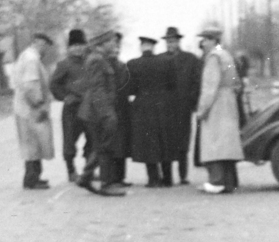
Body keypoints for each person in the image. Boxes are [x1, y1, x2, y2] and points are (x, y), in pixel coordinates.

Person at [194, 22, 243, 194]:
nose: (203, 43)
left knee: (213, 143)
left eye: (206, 40)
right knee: (227, 143)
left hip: (217, 104)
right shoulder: (227, 56)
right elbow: (237, 82)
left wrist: (201, 111)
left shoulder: (213, 58)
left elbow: (209, 88)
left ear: (213, 40)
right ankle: (230, 181)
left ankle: (216, 181)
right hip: (229, 102)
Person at [76, 31, 127, 195]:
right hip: (97, 112)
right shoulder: (97, 60)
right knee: (104, 148)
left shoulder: (99, 58)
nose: (114, 44)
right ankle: (106, 184)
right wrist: (107, 114)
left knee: (101, 147)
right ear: (103, 43)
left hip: (95, 111)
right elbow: (97, 89)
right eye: (111, 41)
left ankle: (85, 178)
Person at [127, 36, 174, 187]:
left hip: (143, 106)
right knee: (165, 140)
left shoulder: (133, 64)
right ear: (153, 47)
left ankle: (153, 178)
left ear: (141, 47)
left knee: (148, 141)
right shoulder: (166, 62)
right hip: (164, 105)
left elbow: (130, 88)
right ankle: (168, 178)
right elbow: (172, 84)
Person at [10, 33, 54, 189]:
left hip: (25, 108)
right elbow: (30, 86)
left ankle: (34, 177)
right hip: (30, 109)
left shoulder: (26, 56)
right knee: (33, 145)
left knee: (32, 144)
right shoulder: (31, 59)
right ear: (39, 43)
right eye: (46, 46)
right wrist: (39, 105)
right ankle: (31, 180)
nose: (46, 50)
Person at [49, 28, 88, 181]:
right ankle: (71, 171)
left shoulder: (89, 62)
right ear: (69, 48)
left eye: (80, 45)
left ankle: (88, 170)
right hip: (72, 109)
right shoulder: (63, 64)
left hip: (88, 107)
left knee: (92, 139)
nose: (78, 48)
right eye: (74, 45)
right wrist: (65, 97)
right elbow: (54, 85)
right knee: (70, 140)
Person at [162, 26, 200, 185]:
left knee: (183, 141)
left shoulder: (190, 59)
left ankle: (183, 175)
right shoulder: (160, 60)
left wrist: (192, 101)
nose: (171, 44)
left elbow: (197, 82)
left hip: (183, 107)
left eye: (173, 41)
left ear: (179, 41)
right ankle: (168, 176)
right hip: (165, 108)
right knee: (166, 140)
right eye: (168, 41)